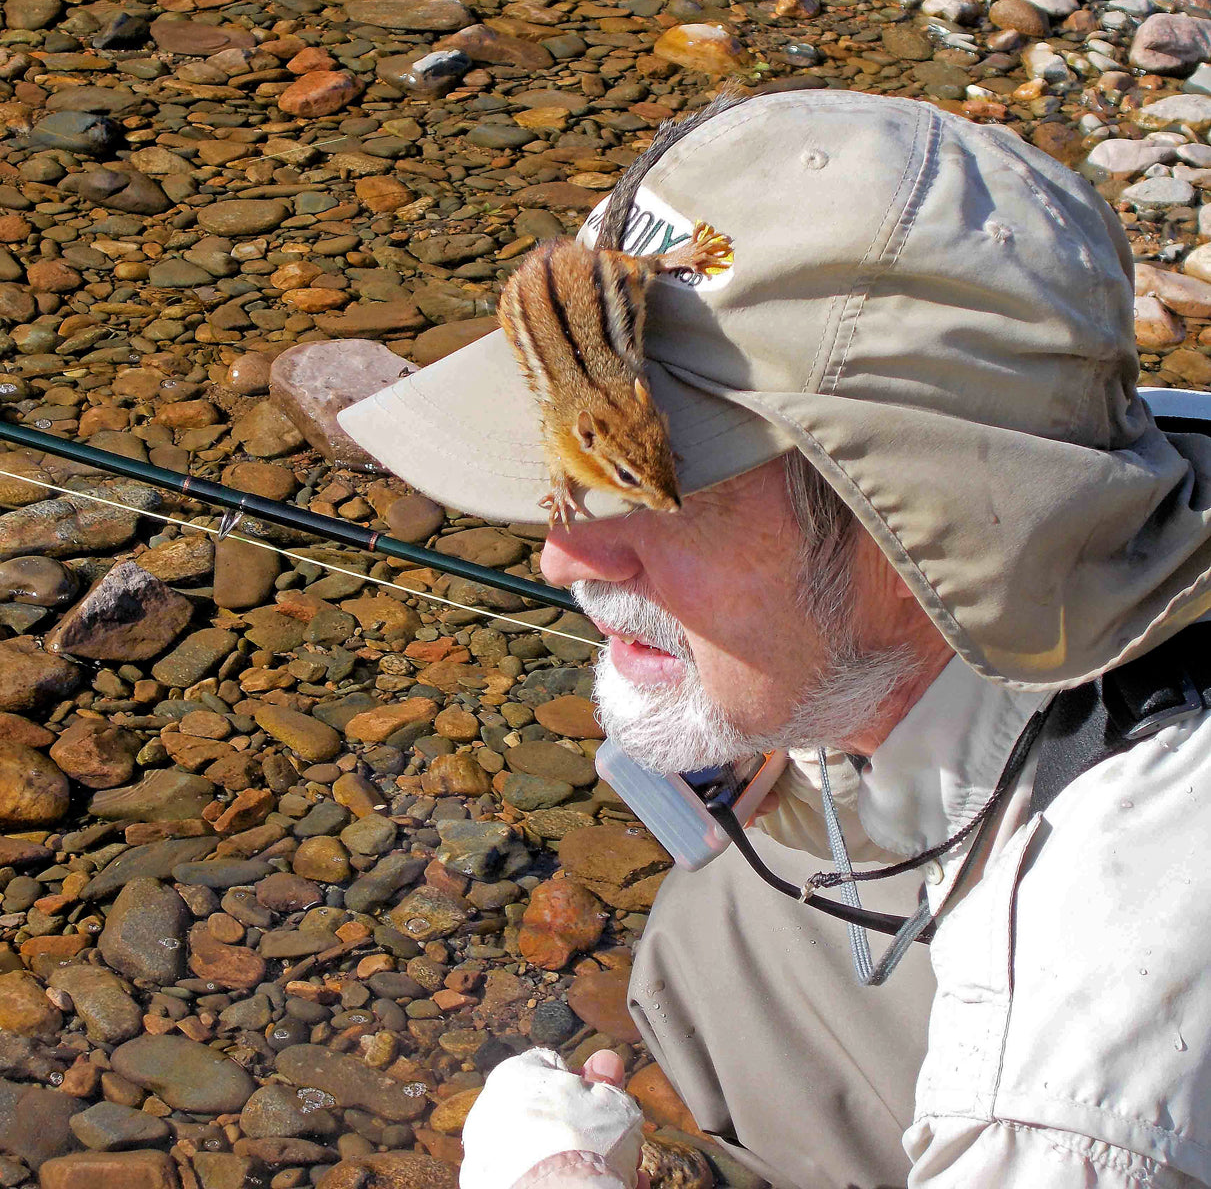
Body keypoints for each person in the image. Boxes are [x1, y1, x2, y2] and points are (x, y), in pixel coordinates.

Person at [339, 89, 1211, 1188]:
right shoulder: (1119, 451)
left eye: (664, 487)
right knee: (728, 917)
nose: (563, 560)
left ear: (925, 526)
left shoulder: (1069, 1102)